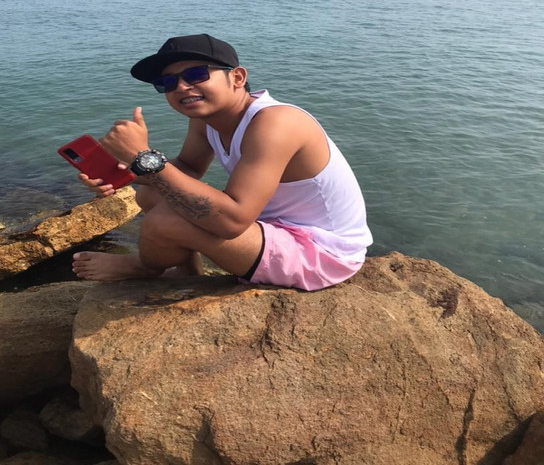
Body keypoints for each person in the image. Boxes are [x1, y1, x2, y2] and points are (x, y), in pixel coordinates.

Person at [72, 34, 372, 290]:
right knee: (151, 193)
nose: (181, 87)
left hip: (321, 254)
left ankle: (144, 268)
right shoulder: (208, 120)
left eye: (196, 75)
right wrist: (125, 173)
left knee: (164, 220)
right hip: (274, 227)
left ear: (237, 77)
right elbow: (188, 167)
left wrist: (144, 156)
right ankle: (189, 270)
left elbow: (233, 222)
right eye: (167, 82)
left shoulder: (277, 122)